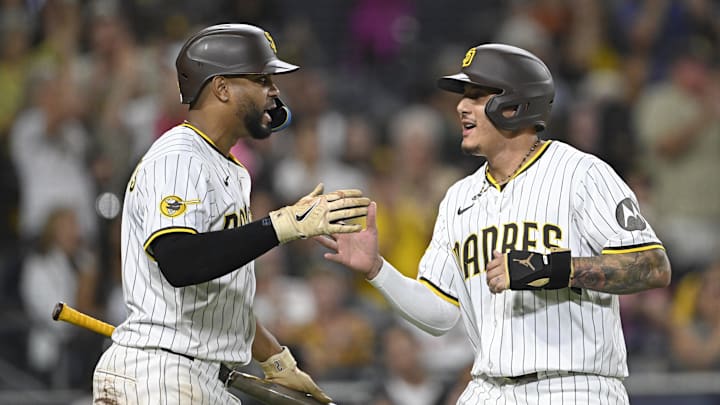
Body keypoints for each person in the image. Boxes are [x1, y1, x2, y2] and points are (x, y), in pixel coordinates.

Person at [317, 43, 671, 404]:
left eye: (476, 95)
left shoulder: (581, 173)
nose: (460, 106)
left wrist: (547, 268)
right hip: (487, 389)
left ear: (515, 105)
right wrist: (378, 270)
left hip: (573, 385)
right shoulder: (458, 198)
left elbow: (652, 266)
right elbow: (439, 314)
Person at [92, 23, 370, 404]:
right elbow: (180, 261)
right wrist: (281, 225)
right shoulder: (179, 157)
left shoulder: (230, 168)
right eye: (261, 79)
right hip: (159, 374)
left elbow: (217, 295)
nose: (274, 92)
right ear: (222, 88)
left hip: (197, 375)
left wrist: (275, 358)